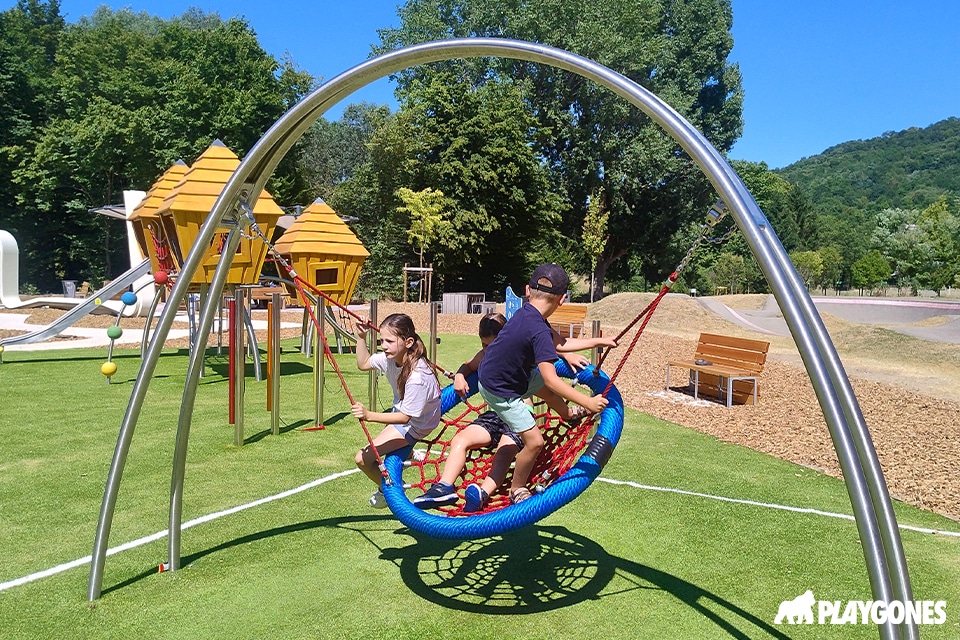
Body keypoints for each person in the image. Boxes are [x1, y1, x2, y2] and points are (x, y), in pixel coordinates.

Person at [413, 312, 593, 511]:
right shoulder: (485, 358)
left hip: (519, 420)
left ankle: (483, 492)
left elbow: (550, 372)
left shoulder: (522, 359)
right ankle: (443, 487)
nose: (489, 351)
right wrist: (460, 376)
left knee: (504, 454)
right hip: (495, 417)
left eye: (494, 345)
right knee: (461, 439)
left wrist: (567, 356)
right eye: (484, 345)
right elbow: (468, 365)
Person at [352, 313, 442, 509]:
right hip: (405, 417)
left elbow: (404, 418)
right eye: (382, 340)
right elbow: (363, 364)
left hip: (415, 425)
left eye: (390, 341)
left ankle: (390, 488)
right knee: (374, 452)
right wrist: (361, 337)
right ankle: (408, 454)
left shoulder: (418, 376)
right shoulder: (391, 358)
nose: (384, 346)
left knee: (362, 459)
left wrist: (369, 415)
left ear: (408, 342)